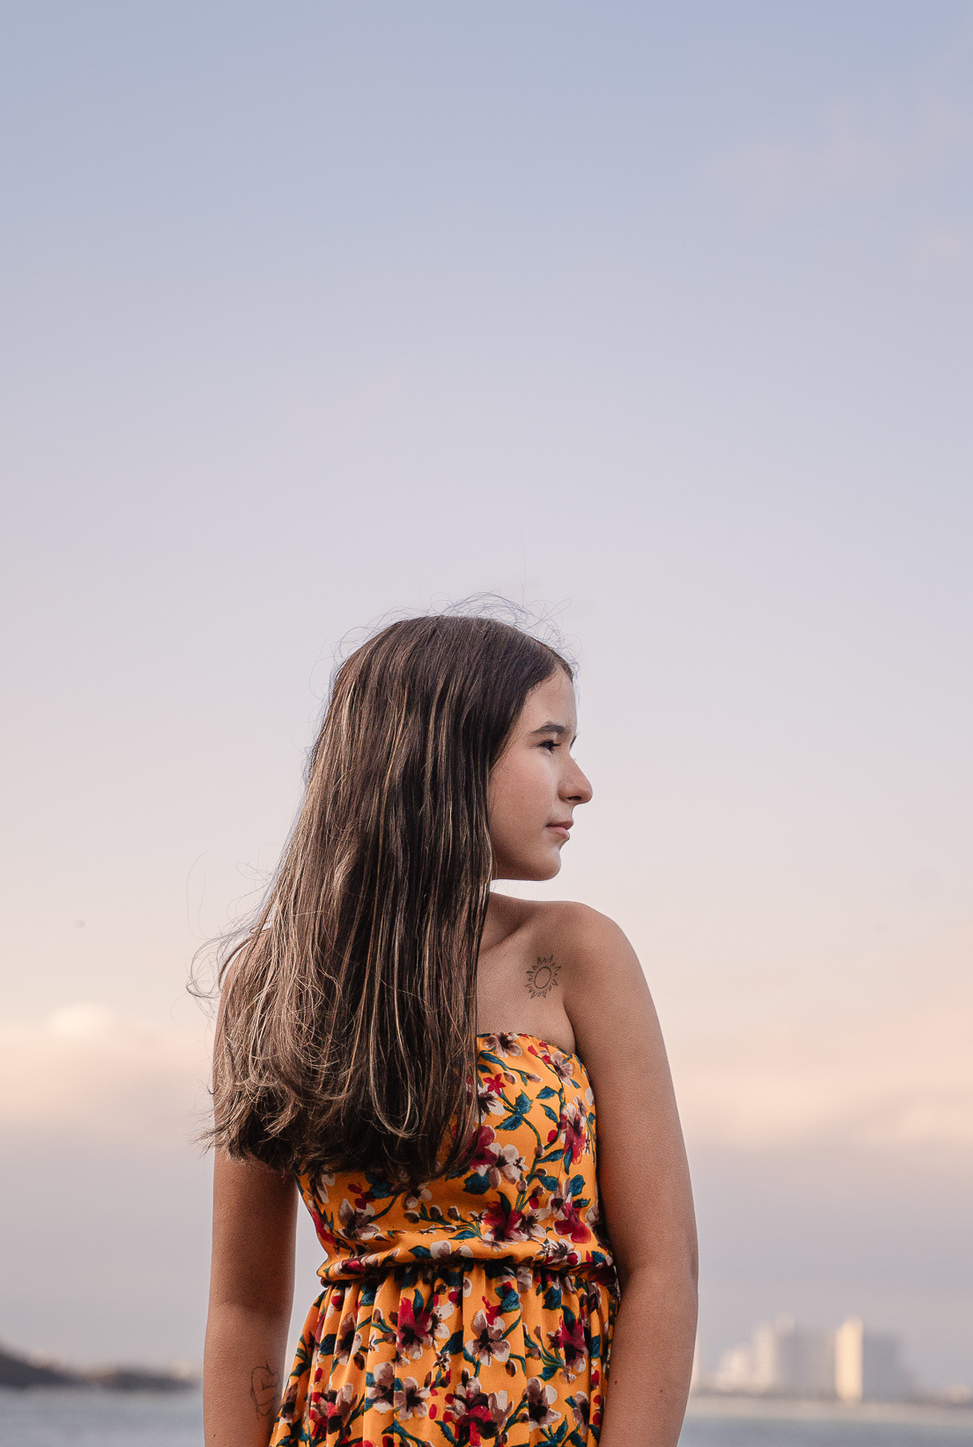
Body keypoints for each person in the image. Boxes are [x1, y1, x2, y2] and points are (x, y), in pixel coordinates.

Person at [202, 613, 697, 1447]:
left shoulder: (578, 953)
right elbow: (244, 1305)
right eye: (548, 744)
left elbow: (664, 1273)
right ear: (446, 755)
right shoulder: (274, 984)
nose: (578, 783)